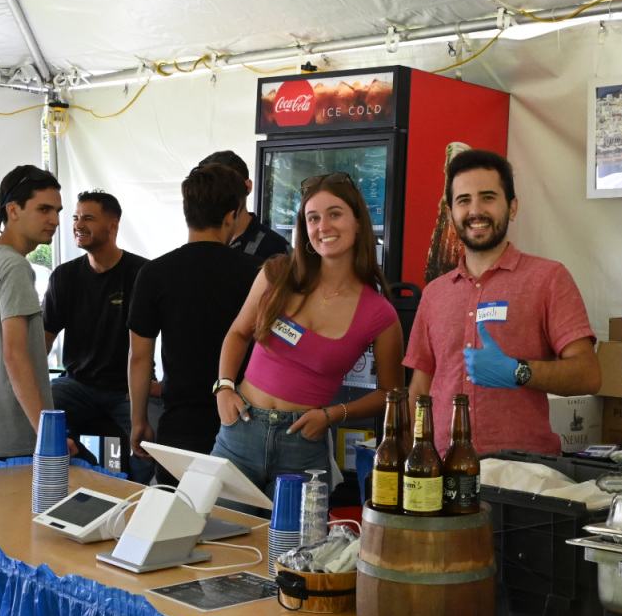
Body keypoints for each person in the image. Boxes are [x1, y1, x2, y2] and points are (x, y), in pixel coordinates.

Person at [212, 172, 404, 496]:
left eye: (334, 214)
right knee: (215, 535)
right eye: (313, 218)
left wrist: (332, 415)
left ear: (358, 223)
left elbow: (392, 394)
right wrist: (224, 388)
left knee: (294, 547)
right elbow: (237, 333)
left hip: (303, 445)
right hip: (240, 429)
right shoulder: (276, 274)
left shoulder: (380, 314)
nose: (323, 226)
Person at [406, 150, 600, 455]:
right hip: (440, 470)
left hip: (522, 473)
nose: (475, 210)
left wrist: (516, 371)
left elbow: (588, 375)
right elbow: (420, 388)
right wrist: (412, 454)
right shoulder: (434, 293)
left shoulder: (548, 278)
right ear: (450, 213)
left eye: (488, 197)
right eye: (463, 200)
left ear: (512, 208)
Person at [128, 163, 261, 477]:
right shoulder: (257, 274)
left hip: (179, 424)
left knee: (177, 519)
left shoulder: (154, 274)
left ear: (187, 211)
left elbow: (138, 357)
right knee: (243, 522)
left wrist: (139, 421)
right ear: (231, 215)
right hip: (244, 420)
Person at [0, 165, 77, 461]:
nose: (54, 220)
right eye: (44, 209)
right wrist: (48, 435)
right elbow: (14, 354)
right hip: (16, 438)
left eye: (58, 211)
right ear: (13, 210)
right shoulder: (14, 266)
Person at [42, 190, 153, 482]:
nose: (78, 224)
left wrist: (152, 388)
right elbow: (43, 340)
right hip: (76, 385)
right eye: (76, 217)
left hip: (126, 390)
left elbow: (158, 342)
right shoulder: (64, 276)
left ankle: (136, 499)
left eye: (88, 218)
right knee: (37, 411)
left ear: (113, 226)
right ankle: (73, 481)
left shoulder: (143, 273)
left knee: (149, 446)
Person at [199, 150, 291, 262]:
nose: (218, 197)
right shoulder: (201, 245)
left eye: (227, 187)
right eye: (209, 190)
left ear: (247, 186)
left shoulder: (277, 250)